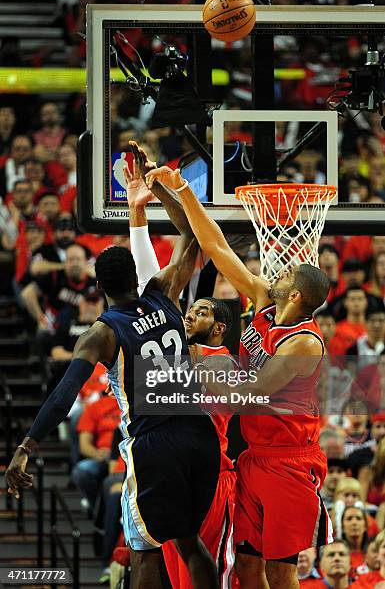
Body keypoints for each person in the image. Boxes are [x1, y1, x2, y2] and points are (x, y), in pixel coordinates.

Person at [5, 176, 221, 589]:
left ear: (99, 285)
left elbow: (65, 393)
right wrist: (158, 188)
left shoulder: (102, 333)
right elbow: (193, 235)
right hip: (199, 433)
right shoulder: (162, 292)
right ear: (135, 278)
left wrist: (26, 446)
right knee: (190, 542)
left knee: (143, 549)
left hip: (155, 442)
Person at [146, 165, 332, 589]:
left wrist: (200, 370)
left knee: (281, 572)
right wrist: (182, 191)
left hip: (290, 461)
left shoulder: (304, 343)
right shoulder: (265, 301)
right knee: (247, 569)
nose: (275, 271)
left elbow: (253, 392)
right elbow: (216, 246)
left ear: (297, 294)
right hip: (254, 459)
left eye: (285, 274)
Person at [125, 141, 236, 587]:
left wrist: (160, 196)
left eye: (204, 310)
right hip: (173, 463)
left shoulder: (214, 363)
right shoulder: (180, 345)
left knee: (200, 568)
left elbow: (163, 276)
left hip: (211, 475)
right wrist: (144, 204)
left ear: (220, 329)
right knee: (177, 566)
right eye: (192, 308)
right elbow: (153, 288)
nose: (191, 312)